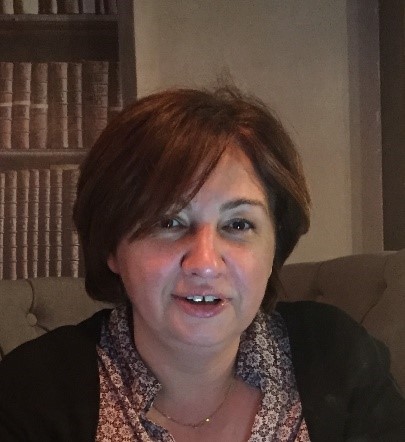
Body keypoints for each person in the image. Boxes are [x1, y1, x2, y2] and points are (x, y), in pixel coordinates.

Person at [0, 87, 404, 442]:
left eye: (238, 224)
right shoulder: (31, 391)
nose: (205, 263)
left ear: (274, 245)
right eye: (168, 222)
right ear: (111, 246)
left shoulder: (338, 357)